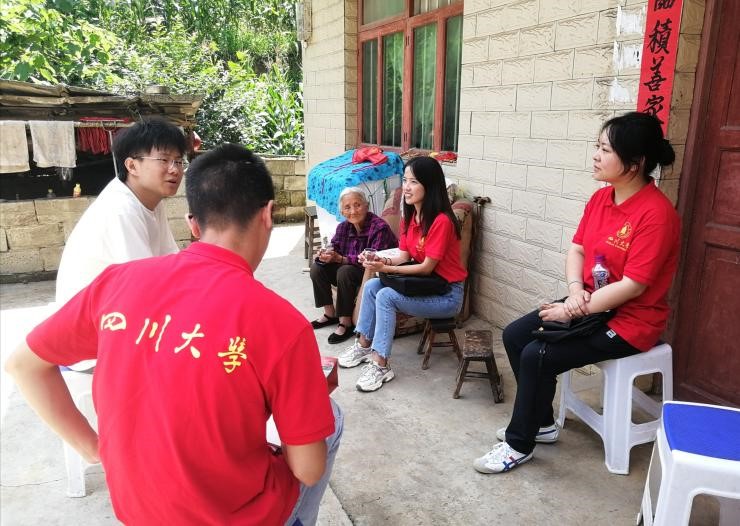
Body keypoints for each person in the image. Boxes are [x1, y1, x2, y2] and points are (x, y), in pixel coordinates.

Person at [6, 144, 343, 525]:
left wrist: (94, 449)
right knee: (331, 418)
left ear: (193, 224)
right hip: (236, 516)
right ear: (268, 215)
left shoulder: (117, 282)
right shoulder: (281, 323)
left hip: (137, 510)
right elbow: (308, 470)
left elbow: (23, 365)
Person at [473, 112, 680, 474]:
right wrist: (573, 292)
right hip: (589, 302)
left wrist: (572, 310)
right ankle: (542, 423)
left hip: (630, 320)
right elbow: (578, 249)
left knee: (538, 354)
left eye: (605, 150)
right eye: (597, 147)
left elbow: (633, 285)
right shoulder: (601, 199)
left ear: (635, 163)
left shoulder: (656, 214)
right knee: (516, 335)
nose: (596, 156)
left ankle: (519, 444)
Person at [337, 156, 467, 392]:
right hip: (426, 284)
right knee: (372, 286)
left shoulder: (441, 221)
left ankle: (381, 364)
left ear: (430, 185)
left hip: (447, 295)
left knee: (386, 296)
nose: (406, 187)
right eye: (405, 180)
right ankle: (364, 345)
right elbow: (404, 255)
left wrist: (385, 269)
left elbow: (426, 267)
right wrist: (380, 260)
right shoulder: (411, 217)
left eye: (414, 182)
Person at [55, 117, 186, 306]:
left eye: (179, 161)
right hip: (90, 315)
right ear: (132, 166)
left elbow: (170, 259)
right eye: (164, 160)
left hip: (116, 303)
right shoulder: (121, 209)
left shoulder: (151, 201)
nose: (175, 170)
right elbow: (144, 283)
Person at [310, 186, 397, 344]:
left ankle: (346, 322)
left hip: (374, 273)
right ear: (342, 212)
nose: (353, 211)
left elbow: (373, 261)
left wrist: (341, 259)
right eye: (347, 207)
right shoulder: (343, 227)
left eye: (357, 205)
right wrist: (325, 255)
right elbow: (334, 247)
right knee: (317, 268)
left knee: (345, 271)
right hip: (352, 270)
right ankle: (330, 313)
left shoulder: (379, 228)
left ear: (366, 205)